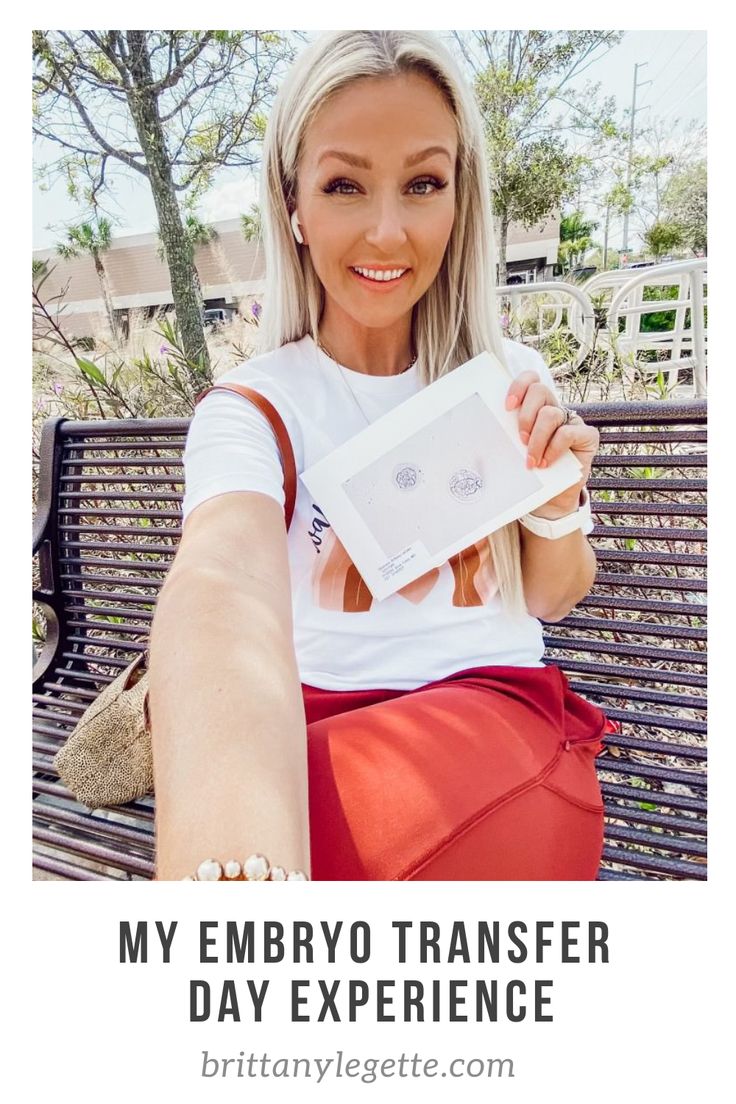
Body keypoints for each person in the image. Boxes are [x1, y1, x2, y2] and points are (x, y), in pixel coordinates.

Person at [149, 30, 610, 882]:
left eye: (424, 184)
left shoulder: (507, 378)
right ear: (294, 205)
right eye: (345, 185)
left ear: (459, 198)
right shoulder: (254, 409)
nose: (388, 231)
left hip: (492, 715)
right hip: (314, 727)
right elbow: (222, 581)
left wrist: (556, 495)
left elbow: (552, 594)